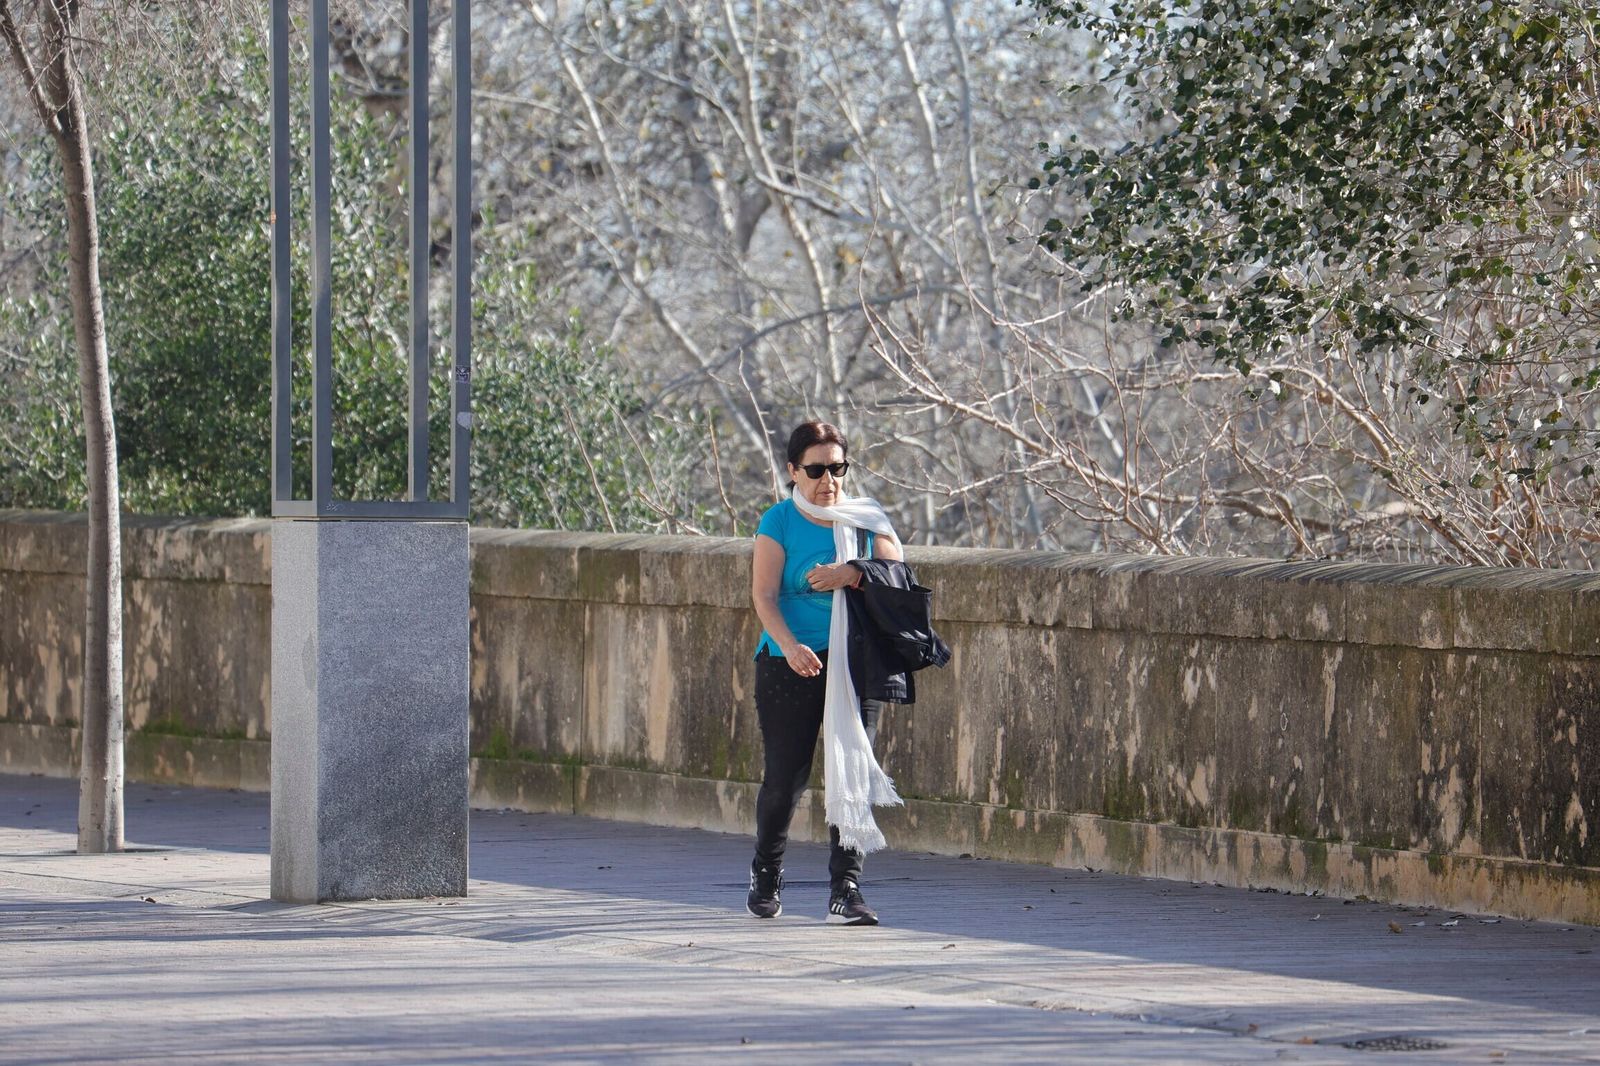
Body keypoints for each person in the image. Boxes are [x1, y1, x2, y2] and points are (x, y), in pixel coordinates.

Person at [746, 419, 904, 926]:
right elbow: (764, 595)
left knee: (852, 773)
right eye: (815, 470)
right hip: (789, 662)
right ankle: (767, 875)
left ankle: (847, 888)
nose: (828, 480)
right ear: (793, 471)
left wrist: (851, 573)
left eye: (837, 468)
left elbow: (897, 573)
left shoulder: (865, 519)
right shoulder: (779, 521)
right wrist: (789, 647)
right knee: (783, 781)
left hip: (854, 663)